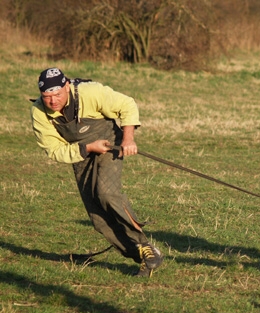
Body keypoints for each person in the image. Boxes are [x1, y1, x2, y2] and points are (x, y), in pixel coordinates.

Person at [30, 67, 163, 277]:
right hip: (80, 153)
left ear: (67, 86)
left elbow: (127, 104)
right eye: (47, 96)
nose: (53, 101)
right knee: (97, 216)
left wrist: (128, 139)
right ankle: (140, 254)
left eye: (57, 94)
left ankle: (145, 245)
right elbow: (54, 150)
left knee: (107, 194)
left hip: (109, 143)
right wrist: (88, 148)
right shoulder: (39, 112)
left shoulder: (89, 92)